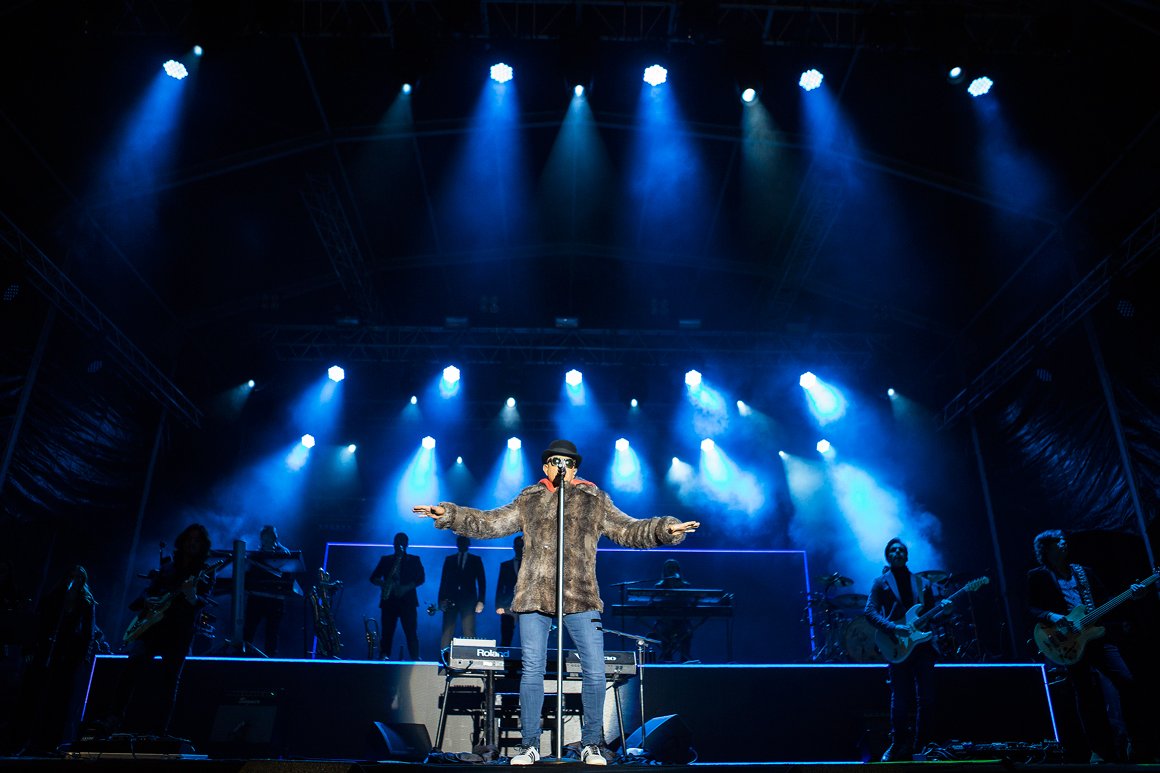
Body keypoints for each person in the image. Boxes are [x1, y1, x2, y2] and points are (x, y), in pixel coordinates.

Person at [414, 439, 700, 766]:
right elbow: (491, 522)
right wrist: (450, 515)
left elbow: (628, 529)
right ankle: (529, 746)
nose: (562, 467)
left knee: (594, 669)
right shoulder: (530, 499)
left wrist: (665, 529)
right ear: (546, 466)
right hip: (534, 594)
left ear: (575, 469)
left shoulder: (594, 499)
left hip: (580, 595)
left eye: (569, 463)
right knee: (532, 670)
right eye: (556, 461)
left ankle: (592, 743)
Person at [1027, 530, 1152, 763]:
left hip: (1097, 636)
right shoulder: (1038, 576)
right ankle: (1100, 751)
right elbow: (1030, 608)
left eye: (1064, 540)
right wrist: (1052, 616)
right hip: (1067, 642)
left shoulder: (1085, 572)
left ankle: (1136, 743)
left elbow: (1106, 602)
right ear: (1047, 549)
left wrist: (1132, 597)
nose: (1064, 543)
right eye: (1058, 541)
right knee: (1086, 695)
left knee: (1127, 682)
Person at [95, 523, 218, 737]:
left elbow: (202, 600)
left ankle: (159, 730)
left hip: (179, 630)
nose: (192, 543)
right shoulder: (168, 566)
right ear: (183, 540)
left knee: (169, 679)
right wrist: (148, 600)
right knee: (131, 668)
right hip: (153, 626)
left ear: (203, 545)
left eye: (197, 540)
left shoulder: (204, 571)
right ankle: (113, 719)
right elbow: (149, 591)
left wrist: (191, 595)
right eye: (190, 538)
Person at [863, 538, 940, 762]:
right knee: (900, 697)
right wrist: (894, 628)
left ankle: (923, 746)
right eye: (893, 550)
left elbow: (932, 615)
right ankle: (898, 744)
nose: (897, 552)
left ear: (907, 556)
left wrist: (945, 611)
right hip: (897, 644)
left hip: (922, 645)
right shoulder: (881, 582)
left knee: (927, 697)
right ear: (888, 556)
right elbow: (870, 611)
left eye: (901, 550)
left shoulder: (922, 583)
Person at [13, 565, 96, 754]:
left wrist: (83, 657)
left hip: (68, 657)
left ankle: (50, 743)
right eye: (72, 576)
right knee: (33, 697)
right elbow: (37, 624)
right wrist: (29, 648)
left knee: (58, 700)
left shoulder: (86, 603)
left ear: (83, 581)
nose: (74, 580)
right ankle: (22, 741)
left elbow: (88, 633)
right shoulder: (52, 599)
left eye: (79, 577)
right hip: (44, 653)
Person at [370, 532, 425, 660]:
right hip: (389, 601)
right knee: (387, 633)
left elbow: (421, 578)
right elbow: (373, 578)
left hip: (408, 602)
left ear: (406, 544)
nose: (399, 545)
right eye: (397, 543)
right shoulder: (386, 560)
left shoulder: (414, 560)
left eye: (402, 543)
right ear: (393, 544)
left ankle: (415, 659)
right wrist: (385, 584)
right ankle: (384, 657)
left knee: (411, 633)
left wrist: (406, 587)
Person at [243, 525, 292, 657]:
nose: (268, 541)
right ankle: (243, 659)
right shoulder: (255, 556)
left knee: (272, 634)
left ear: (275, 538)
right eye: (266, 538)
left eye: (271, 538)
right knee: (248, 632)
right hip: (256, 598)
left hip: (275, 600)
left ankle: (270, 662)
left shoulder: (284, 555)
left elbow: (289, 574)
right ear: (262, 539)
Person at [437, 536, 487, 650]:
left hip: (469, 601)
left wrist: (481, 601)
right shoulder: (449, 560)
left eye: (464, 542)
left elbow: (482, 582)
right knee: (447, 630)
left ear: (468, 544)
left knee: (469, 630)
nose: (462, 544)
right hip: (450, 600)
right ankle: (444, 658)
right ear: (457, 544)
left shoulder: (476, 560)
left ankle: (470, 657)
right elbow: (443, 581)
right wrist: (441, 600)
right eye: (460, 542)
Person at [649, 558, 694, 663]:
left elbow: (691, 602)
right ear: (664, 570)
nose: (671, 570)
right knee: (665, 632)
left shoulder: (685, 586)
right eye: (669, 568)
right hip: (664, 621)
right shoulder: (659, 586)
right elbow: (652, 603)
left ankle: (685, 659)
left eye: (674, 567)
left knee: (686, 632)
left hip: (682, 620)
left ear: (678, 570)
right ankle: (667, 658)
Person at [495, 536, 524, 647]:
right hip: (508, 605)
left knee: (527, 637)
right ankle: (505, 655)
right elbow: (500, 587)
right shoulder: (505, 565)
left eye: (521, 546)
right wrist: (498, 605)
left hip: (527, 605)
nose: (519, 548)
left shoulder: (531, 566)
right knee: (506, 636)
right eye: (517, 545)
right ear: (514, 547)